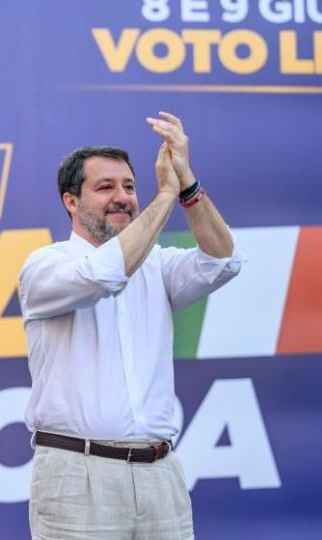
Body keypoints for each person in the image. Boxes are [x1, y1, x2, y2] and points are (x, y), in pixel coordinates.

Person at [18, 112, 243, 539]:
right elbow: (105, 274)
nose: (122, 197)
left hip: (160, 475)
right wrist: (164, 195)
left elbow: (222, 262)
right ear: (71, 201)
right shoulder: (45, 265)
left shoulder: (156, 264)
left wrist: (188, 186)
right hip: (77, 477)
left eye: (129, 187)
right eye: (105, 188)